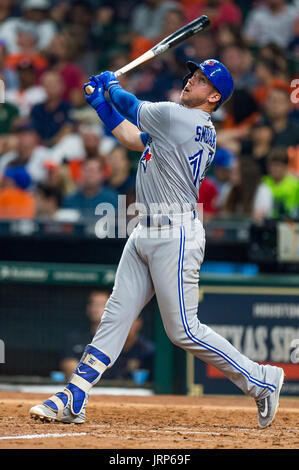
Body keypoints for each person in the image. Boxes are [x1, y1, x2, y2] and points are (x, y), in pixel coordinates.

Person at [30, 57, 284, 427]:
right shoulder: (181, 122)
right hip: (145, 230)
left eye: (200, 81)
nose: (189, 82)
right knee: (114, 317)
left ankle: (262, 380)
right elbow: (134, 138)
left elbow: (132, 107)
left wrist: (110, 88)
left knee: (183, 329)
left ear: (214, 97)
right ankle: (74, 395)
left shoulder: (178, 117)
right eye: (192, 76)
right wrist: (102, 104)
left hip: (175, 234)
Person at [60, 289, 155, 382]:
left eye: (101, 304)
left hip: (121, 390)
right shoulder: (76, 337)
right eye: (92, 304)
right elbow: (69, 366)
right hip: (88, 388)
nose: (95, 308)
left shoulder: (123, 338)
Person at [221, 156, 273, 224]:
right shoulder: (228, 187)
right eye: (231, 172)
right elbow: (223, 215)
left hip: (256, 231)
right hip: (232, 231)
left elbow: (259, 219)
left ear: (246, 174)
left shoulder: (262, 190)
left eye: (235, 173)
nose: (230, 176)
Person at [263, 147, 299, 218]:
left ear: (285, 166)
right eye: (272, 165)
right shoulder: (263, 183)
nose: (275, 169)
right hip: (267, 223)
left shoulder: (295, 185)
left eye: (278, 165)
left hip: (289, 222)